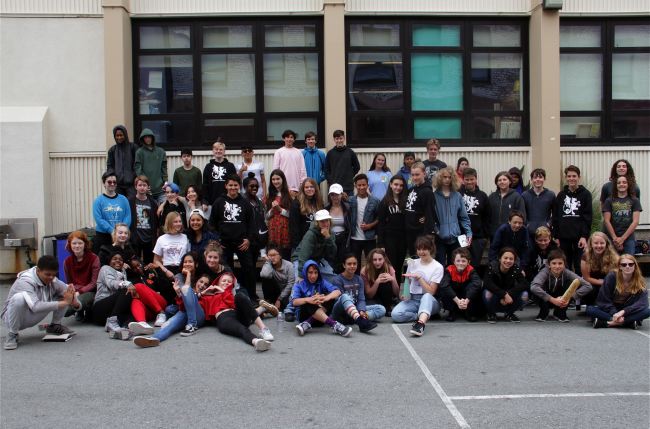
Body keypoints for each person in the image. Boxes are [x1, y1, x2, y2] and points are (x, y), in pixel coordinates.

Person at [2, 255, 80, 350]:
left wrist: (75, 302)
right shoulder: (25, 281)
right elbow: (35, 306)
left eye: (54, 275)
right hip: (12, 319)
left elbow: (70, 296)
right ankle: (13, 334)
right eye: (47, 274)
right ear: (38, 271)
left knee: (65, 292)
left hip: (33, 315)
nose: (51, 278)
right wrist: (65, 303)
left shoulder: (53, 280)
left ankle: (55, 325)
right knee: (19, 298)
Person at [132, 254, 207, 347]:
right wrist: (180, 289)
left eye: (190, 262)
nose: (187, 264)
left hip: (198, 313)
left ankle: (192, 324)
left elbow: (190, 291)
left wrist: (188, 275)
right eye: (185, 262)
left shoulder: (202, 277)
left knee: (186, 290)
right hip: (184, 311)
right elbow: (184, 295)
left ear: (196, 264)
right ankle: (153, 339)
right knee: (169, 325)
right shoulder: (179, 276)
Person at [209, 174, 257, 300]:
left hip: (242, 243)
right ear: (226, 186)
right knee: (226, 270)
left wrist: (248, 239)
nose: (233, 188)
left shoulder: (245, 203)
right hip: (224, 243)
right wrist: (217, 240)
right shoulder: (219, 202)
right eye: (230, 185)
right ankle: (227, 296)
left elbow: (252, 223)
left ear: (239, 186)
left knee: (249, 269)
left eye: (235, 185)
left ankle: (252, 296)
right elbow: (212, 224)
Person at [201, 272, 274, 351]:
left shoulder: (231, 294)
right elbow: (195, 302)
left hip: (237, 314)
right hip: (224, 317)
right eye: (224, 281)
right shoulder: (208, 297)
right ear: (217, 283)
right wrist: (202, 293)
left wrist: (223, 291)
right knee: (241, 329)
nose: (226, 283)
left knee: (240, 296)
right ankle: (256, 341)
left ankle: (264, 329)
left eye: (229, 282)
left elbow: (231, 302)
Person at [391, 235, 444, 337]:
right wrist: (405, 294)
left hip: (430, 300)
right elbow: (408, 282)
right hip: (413, 299)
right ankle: (421, 315)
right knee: (396, 315)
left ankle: (420, 324)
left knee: (426, 296)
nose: (421, 252)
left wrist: (419, 278)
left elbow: (431, 292)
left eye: (424, 249)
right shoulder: (413, 263)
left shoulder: (437, 267)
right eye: (419, 249)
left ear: (431, 249)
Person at [587, 254, 650, 329]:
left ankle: (607, 323)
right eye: (624, 265)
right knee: (590, 309)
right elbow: (603, 299)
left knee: (647, 311)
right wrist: (615, 313)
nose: (627, 267)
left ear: (635, 266)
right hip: (610, 308)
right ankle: (628, 322)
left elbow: (643, 303)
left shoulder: (639, 280)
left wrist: (623, 312)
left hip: (627, 310)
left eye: (630, 264)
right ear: (620, 267)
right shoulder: (612, 277)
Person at [291, 260, 351, 337]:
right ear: (305, 273)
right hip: (304, 316)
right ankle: (334, 325)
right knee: (309, 302)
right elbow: (294, 302)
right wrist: (308, 299)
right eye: (310, 272)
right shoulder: (299, 285)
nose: (313, 276)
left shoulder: (321, 282)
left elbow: (338, 291)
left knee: (331, 298)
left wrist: (325, 298)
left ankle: (307, 323)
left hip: (320, 320)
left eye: (315, 272)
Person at [530, 249, 592, 322]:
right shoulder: (544, 272)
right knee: (536, 288)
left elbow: (588, 286)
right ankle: (544, 311)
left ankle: (559, 312)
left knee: (573, 283)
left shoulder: (567, 272)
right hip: (546, 299)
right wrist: (552, 300)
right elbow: (534, 287)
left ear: (564, 264)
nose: (557, 266)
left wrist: (570, 297)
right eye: (554, 263)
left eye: (560, 263)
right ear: (549, 264)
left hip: (562, 299)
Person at [553, 165, 593, 273]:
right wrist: (556, 236)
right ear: (566, 178)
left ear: (579, 177)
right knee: (565, 264)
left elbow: (587, 217)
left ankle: (580, 284)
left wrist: (584, 236)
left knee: (579, 265)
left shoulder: (586, 195)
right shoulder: (561, 195)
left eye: (574, 176)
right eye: (569, 176)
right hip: (563, 237)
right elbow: (556, 217)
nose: (571, 178)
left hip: (579, 238)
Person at [331, 254, 384, 332]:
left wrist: (361, 310)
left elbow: (361, 299)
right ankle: (360, 320)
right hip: (341, 313)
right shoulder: (337, 279)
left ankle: (357, 318)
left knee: (381, 309)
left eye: (354, 264)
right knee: (344, 296)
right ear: (344, 265)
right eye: (349, 264)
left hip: (355, 310)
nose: (352, 266)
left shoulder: (359, 279)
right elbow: (339, 300)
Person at [91, 251, 136, 340]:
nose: (118, 261)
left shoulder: (123, 271)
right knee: (126, 290)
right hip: (100, 308)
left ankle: (120, 331)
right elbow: (111, 283)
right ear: (109, 261)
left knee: (132, 316)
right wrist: (127, 284)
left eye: (120, 260)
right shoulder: (105, 268)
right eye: (114, 259)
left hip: (110, 313)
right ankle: (112, 323)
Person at [433, 167, 472, 266]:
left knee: (455, 266)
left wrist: (469, 232)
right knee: (440, 266)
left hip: (455, 238)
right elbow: (431, 218)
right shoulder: (434, 196)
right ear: (439, 178)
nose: (447, 179)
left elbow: (464, 217)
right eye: (444, 177)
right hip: (440, 239)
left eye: (449, 177)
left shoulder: (457, 196)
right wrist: (437, 231)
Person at [483, 247, 529, 323]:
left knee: (525, 294)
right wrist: (504, 294)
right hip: (495, 296)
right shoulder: (492, 266)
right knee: (487, 293)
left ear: (514, 260)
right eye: (505, 258)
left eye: (511, 259)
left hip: (509, 298)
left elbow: (524, 284)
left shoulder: (515, 268)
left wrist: (509, 294)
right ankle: (491, 314)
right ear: (500, 259)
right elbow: (487, 283)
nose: (508, 261)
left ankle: (509, 314)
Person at [376, 175, 407, 285]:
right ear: (390, 185)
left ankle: (397, 289)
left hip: (403, 238)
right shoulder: (384, 202)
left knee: (400, 265)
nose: (398, 187)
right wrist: (381, 243)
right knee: (391, 266)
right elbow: (381, 224)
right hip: (389, 238)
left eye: (401, 185)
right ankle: (391, 289)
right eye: (396, 184)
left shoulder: (406, 200)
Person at [153, 212, 191, 303]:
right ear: (169, 223)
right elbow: (156, 260)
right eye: (175, 222)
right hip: (166, 270)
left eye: (180, 221)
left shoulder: (185, 237)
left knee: (182, 297)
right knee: (167, 299)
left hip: (181, 269)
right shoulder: (161, 239)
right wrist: (166, 271)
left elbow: (189, 256)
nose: (179, 224)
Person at [292, 209, 338, 282]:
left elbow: (332, 254)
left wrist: (328, 238)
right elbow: (303, 255)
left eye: (327, 220)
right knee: (300, 283)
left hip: (317, 260)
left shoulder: (330, 234)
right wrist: (301, 275)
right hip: (300, 259)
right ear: (317, 223)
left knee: (332, 279)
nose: (325, 224)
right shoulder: (311, 234)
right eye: (322, 221)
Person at [63, 230, 100, 321]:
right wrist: (71, 293)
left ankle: (88, 309)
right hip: (75, 291)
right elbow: (69, 282)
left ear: (85, 244)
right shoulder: (67, 262)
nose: (77, 246)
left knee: (70, 307)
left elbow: (94, 283)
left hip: (91, 291)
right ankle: (79, 311)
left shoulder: (94, 258)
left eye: (80, 243)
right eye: (74, 243)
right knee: (63, 309)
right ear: (70, 245)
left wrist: (79, 292)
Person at [438, 247, 482, 322]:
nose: (460, 263)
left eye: (463, 261)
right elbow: (444, 284)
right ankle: (452, 311)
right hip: (454, 297)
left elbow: (477, 283)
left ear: (468, 262)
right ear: (454, 261)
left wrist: (467, 300)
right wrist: (457, 301)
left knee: (474, 287)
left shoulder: (471, 270)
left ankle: (468, 312)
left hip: (466, 297)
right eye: (458, 261)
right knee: (444, 288)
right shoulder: (449, 270)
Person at [92, 171, 132, 254]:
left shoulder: (124, 199)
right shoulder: (98, 201)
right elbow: (99, 219)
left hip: (120, 237)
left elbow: (127, 216)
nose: (112, 184)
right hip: (103, 236)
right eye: (109, 182)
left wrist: (121, 231)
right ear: (104, 183)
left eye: (114, 182)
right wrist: (113, 231)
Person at [460, 168, 491, 270]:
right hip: (461, 236)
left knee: (475, 265)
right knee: (461, 263)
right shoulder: (458, 194)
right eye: (467, 179)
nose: (469, 182)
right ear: (463, 180)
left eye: (472, 179)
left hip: (478, 237)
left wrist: (485, 235)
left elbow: (487, 216)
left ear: (476, 179)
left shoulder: (483, 196)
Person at [404, 162, 438, 257]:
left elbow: (430, 214)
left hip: (421, 234)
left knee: (421, 260)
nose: (415, 177)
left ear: (424, 174)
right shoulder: (411, 190)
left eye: (417, 174)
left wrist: (427, 237)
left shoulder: (427, 192)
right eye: (413, 175)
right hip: (409, 232)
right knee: (413, 259)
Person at [602, 175, 642, 255]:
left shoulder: (635, 200)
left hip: (628, 238)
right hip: (612, 237)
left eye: (624, 182)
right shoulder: (609, 200)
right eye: (619, 183)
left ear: (628, 184)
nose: (621, 184)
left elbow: (635, 221)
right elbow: (606, 221)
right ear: (616, 185)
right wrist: (615, 238)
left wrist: (623, 239)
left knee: (628, 260)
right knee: (611, 261)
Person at [349, 174, 380, 272]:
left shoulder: (375, 201)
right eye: (359, 185)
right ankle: (357, 281)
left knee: (372, 264)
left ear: (367, 185)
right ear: (355, 186)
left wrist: (370, 225)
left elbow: (379, 218)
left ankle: (371, 281)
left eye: (363, 185)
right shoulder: (351, 200)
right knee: (355, 265)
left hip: (369, 238)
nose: (361, 187)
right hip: (354, 238)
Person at [580, 232, 619, 306]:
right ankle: (591, 305)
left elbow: (617, 276)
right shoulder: (585, 256)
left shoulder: (614, 257)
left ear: (606, 244)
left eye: (602, 243)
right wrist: (601, 282)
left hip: (608, 284)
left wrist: (606, 283)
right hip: (592, 283)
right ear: (591, 244)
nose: (599, 246)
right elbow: (586, 278)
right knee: (589, 289)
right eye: (596, 243)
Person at [360, 248, 400, 317]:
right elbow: (369, 295)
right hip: (372, 297)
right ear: (371, 260)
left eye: (380, 259)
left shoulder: (389, 268)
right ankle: (384, 307)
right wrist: (377, 282)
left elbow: (397, 293)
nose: (377, 262)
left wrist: (393, 280)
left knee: (386, 282)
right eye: (374, 260)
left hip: (385, 295)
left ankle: (388, 306)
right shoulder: (365, 271)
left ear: (384, 259)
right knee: (374, 305)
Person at [129, 175, 159, 264]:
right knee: (135, 263)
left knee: (148, 263)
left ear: (148, 187)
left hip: (149, 237)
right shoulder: (130, 201)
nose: (142, 187)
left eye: (144, 185)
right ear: (135, 187)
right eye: (140, 185)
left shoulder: (153, 203)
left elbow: (156, 221)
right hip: (136, 237)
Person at [487, 171, 526, 238]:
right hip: (494, 233)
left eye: (504, 179)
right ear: (497, 183)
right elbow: (487, 215)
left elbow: (522, 215)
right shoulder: (492, 197)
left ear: (510, 181)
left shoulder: (516, 197)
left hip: (511, 233)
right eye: (499, 180)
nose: (502, 182)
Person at [289, 178, 323, 252]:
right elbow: (294, 226)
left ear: (315, 188)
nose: (309, 189)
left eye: (311, 187)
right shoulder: (296, 204)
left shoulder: (319, 203)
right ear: (303, 189)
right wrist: (297, 245)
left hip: (316, 242)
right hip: (301, 243)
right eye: (306, 187)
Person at [265, 169, 293, 260]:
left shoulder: (290, 194)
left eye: (278, 179)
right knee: (274, 254)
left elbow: (292, 215)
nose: (275, 181)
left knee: (285, 255)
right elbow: (266, 216)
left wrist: (280, 210)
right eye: (273, 179)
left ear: (283, 179)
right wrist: (272, 211)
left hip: (285, 228)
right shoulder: (269, 195)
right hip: (273, 228)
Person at [135, 128, 167, 203]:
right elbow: (138, 169)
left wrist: (165, 181)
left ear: (152, 138)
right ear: (143, 139)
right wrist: (144, 184)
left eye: (149, 137)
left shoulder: (161, 151)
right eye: (145, 137)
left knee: (164, 208)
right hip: (147, 190)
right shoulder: (139, 152)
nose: (148, 139)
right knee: (149, 209)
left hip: (160, 189)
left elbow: (164, 168)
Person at [260, 244, 295, 313]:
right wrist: (268, 262)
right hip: (276, 292)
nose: (272, 257)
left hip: (286, 294)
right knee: (266, 279)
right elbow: (264, 275)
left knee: (286, 305)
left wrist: (279, 299)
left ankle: (272, 307)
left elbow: (291, 284)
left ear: (280, 256)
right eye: (270, 255)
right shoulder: (269, 264)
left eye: (274, 255)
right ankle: (268, 303)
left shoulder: (289, 265)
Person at [202, 139, 237, 208]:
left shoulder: (230, 166)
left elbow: (234, 183)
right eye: (216, 149)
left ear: (224, 151)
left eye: (221, 149)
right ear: (213, 151)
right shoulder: (208, 166)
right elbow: (205, 185)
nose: (218, 151)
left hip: (228, 201)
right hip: (212, 202)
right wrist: (205, 201)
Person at [325, 184, 352, 273]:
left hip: (343, 238)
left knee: (342, 262)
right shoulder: (326, 208)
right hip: (330, 238)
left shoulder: (347, 207)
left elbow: (350, 224)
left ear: (341, 194)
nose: (334, 197)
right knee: (331, 261)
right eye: (332, 195)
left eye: (337, 194)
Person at [522, 168, 555, 239]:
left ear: (544, 179)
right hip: (529, 232)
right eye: (535, 177)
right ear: (531, 180)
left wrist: (549, 224)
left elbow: (555, 212)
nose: (538, 179)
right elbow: (522, 213)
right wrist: (527, 224)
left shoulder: (551, 195)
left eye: (540, 177)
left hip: (545, 233)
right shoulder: (525, 195)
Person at [324, 129, 360, 195]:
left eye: (341, 138)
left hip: (348, 187)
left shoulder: (350, 152)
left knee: (349, 202)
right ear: (334, 139)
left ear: (344, 138)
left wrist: (350, 175)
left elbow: (357, 167)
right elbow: (326, 169)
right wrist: (331, 180)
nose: (339, 140)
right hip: (334, 187)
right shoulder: (330, 153)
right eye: (337, 139)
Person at [106, 125, 137, 198]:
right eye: (117, 135)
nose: (119, 137)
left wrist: (134, 176)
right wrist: (113, 178)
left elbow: (137, 165)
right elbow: (110, 166)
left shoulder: (133, 147)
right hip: (118, 185)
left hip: (131, 184)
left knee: (131, 202)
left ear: (125, 135)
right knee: (118, 203)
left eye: (121, 135)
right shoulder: (112, 150)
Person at [272, 129, 307, 194]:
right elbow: (276, 170)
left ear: (294, 139)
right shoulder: (278, 152)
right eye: (287, 137)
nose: (289, 139)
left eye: (291, 137)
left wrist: (302, 183)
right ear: (284, 139)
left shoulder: (299, 152)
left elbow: (303, 169)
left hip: (297, 186)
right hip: (283, 186)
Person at [242, 173, 267, 260]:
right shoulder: (241, 201)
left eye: (256, 186)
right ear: (245, 187)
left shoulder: (259, 201)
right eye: (251, 186)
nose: (255, 188)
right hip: (246, 240)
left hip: (257, 239)